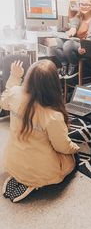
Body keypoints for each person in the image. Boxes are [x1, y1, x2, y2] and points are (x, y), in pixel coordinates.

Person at [0, 60, 80, 202]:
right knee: (73, 159)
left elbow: (4, 100)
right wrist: (75, 147)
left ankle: (20, 175)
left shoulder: (15, 94)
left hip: (11, 160)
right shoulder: (52, 115)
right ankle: (33, 183)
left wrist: (14, 76)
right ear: (53, 84)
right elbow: (61, 146)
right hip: (40, 170)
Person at [53, 0, 91, 77]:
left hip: (88, 46)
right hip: (77, 45)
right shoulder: (79, 16)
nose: (84, 6)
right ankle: (64, 64)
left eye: (87, 4)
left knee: (68, 45)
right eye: (82, 4)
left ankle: (74, 65)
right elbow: (74, 24)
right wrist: (73, 29)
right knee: (55, 42)